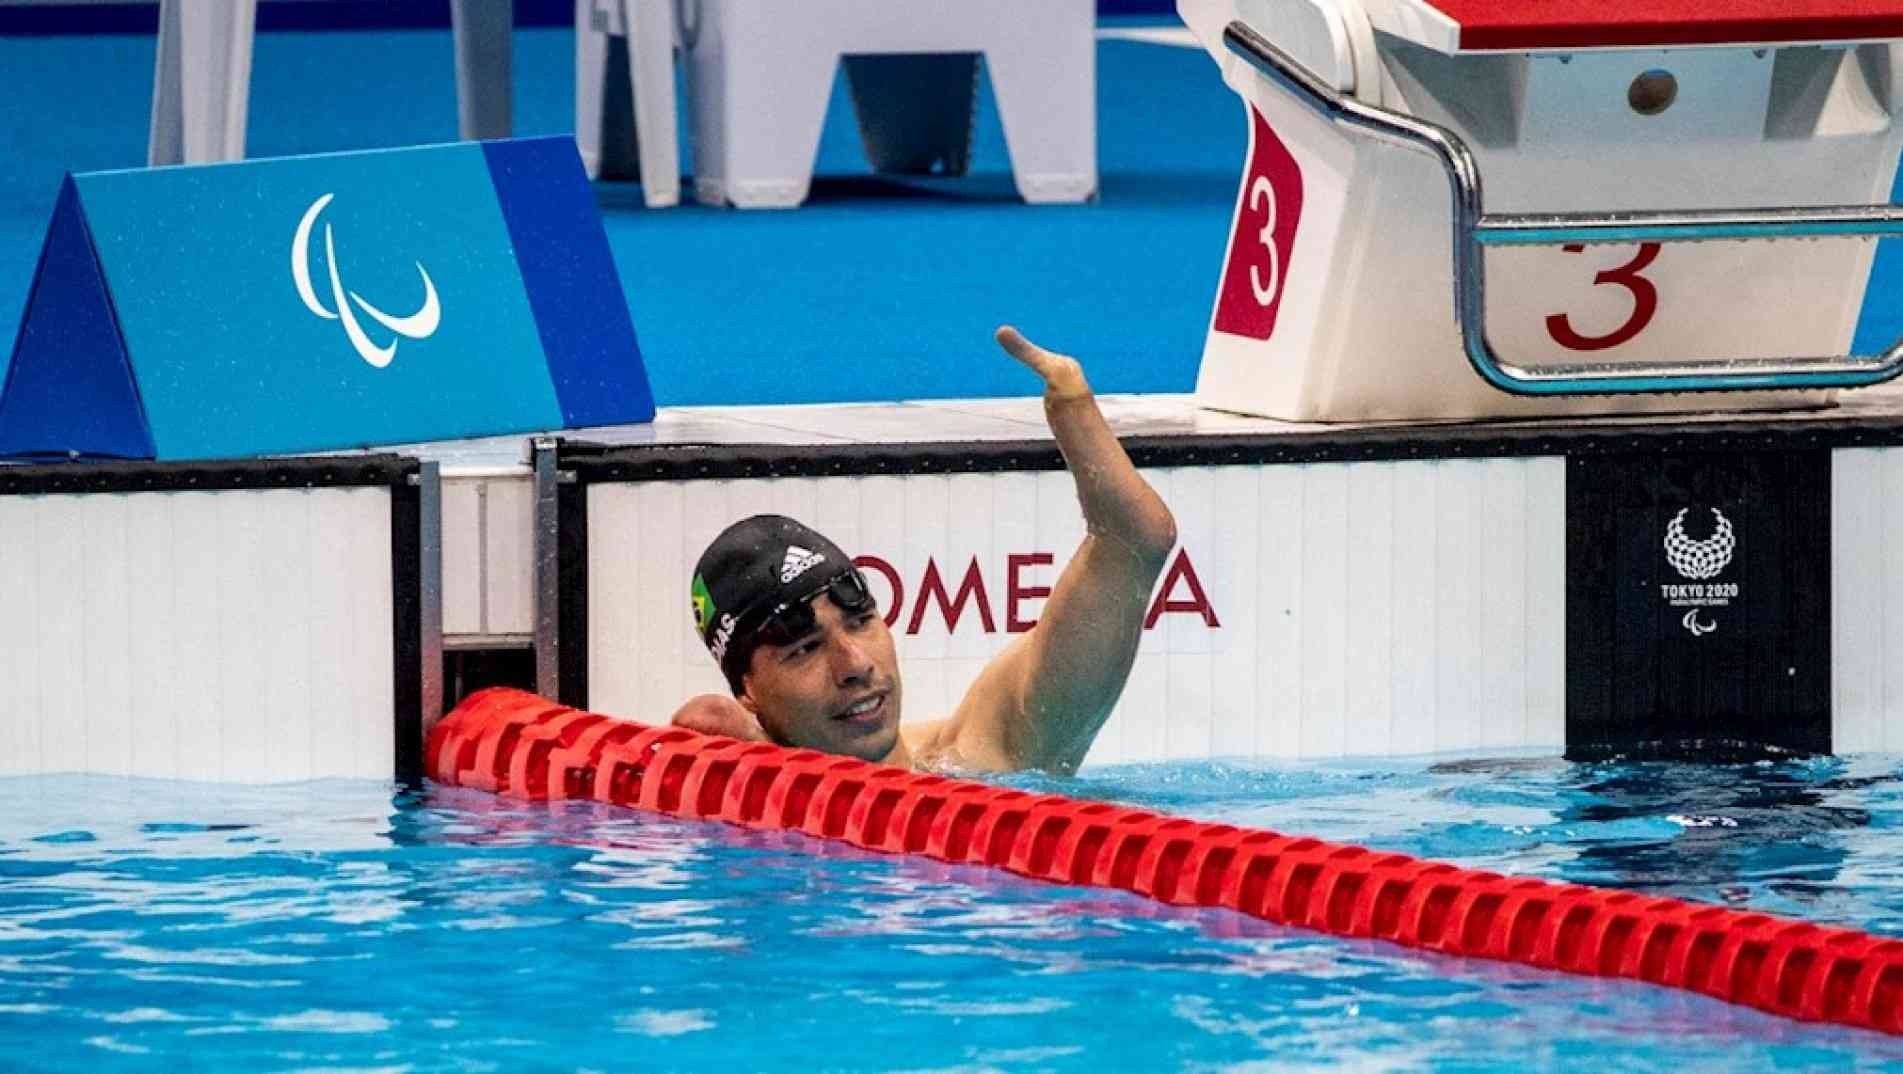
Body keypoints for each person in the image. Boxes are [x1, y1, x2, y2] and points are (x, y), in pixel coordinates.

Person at [670, 327, 1177, 774]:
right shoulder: (740, 787)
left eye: (859, 621)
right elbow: (706, 722)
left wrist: (1073, 409)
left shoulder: (993, 755)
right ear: (748, 692)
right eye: (804, 649)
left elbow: (1134, 543)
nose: (854, 665)